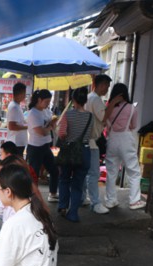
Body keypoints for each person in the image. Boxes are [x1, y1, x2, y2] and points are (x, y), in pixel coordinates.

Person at [103, 83, 146, 210]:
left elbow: (105, 122)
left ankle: (110, 200)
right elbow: (133, 126)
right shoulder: (132, 108)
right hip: (126, 139)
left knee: (111, 172)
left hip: (112, 139)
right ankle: (134, 201)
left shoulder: (108, 109)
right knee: (133, 171)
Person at [57, 87, 93, 222]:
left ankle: (62, 206)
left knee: (64, 179)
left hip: (69, 152)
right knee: (78, 184)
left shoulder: (68, 115)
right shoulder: (90, 116)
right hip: (84, 152)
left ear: (73, 100)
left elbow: (62, 134)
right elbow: (92, 134)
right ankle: (73, 213)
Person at [83, 74, 112, 214]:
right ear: (100, 85)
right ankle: (95, 203)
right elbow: (104, 117)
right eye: (106, 85)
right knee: (94, 173)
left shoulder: (89, 97)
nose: (107, 88)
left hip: (85, 141)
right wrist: (112, 104)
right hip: (92, 141)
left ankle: (82, 198)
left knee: (83, 173)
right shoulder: (95, 99)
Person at [26, 89, 59, 202]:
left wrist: (53, 123)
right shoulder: (33, 113)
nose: (48, 104)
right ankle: (32, 197)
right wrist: (50, 127)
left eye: (49, 102)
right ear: (39, 100)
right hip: (35, 147)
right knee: (34, 174)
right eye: (46, 102)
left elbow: (50, 123)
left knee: (54, 170)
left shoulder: (45, 111)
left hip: (45, 146)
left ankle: (53, 193)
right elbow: (40, 132)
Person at [6, 82, 28, 157]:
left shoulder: (17, 105)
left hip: (19, 142)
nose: (25, 96)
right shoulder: (14, 107)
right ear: (20, 94)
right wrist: (27, 127)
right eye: (24, 93)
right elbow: (12, 126)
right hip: (15, 143)